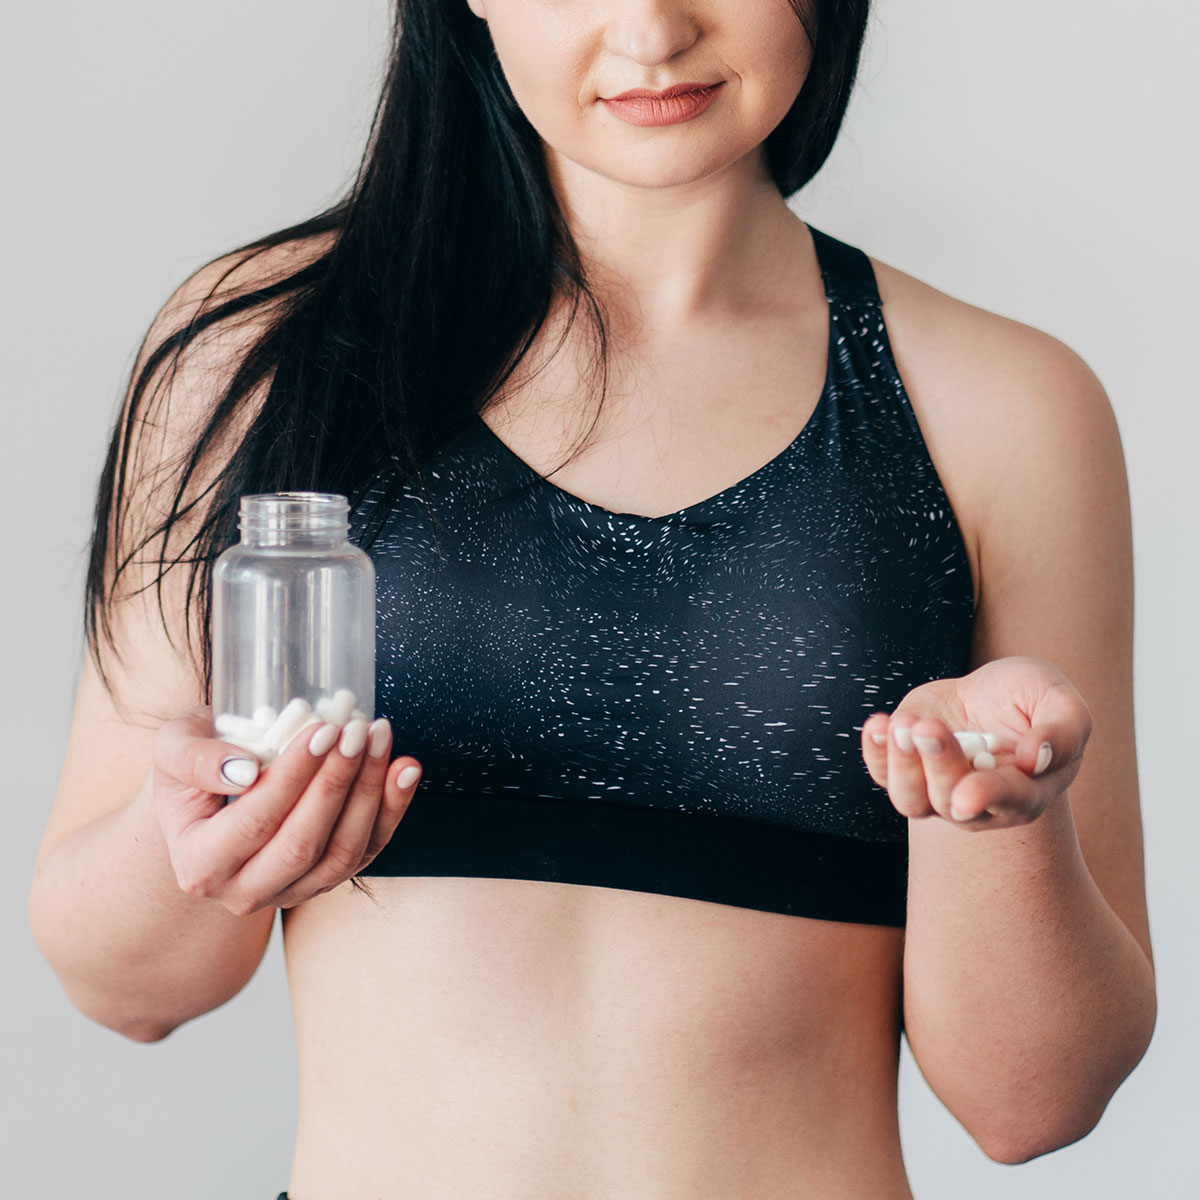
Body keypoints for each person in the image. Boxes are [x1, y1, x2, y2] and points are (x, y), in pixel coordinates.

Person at [28, 1, 1156, 1196]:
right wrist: (194, 845)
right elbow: (124, 989)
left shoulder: (1008, 410)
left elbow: (1036, 1102)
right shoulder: (260, 352)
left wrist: (1001, 826)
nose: (652, 30)